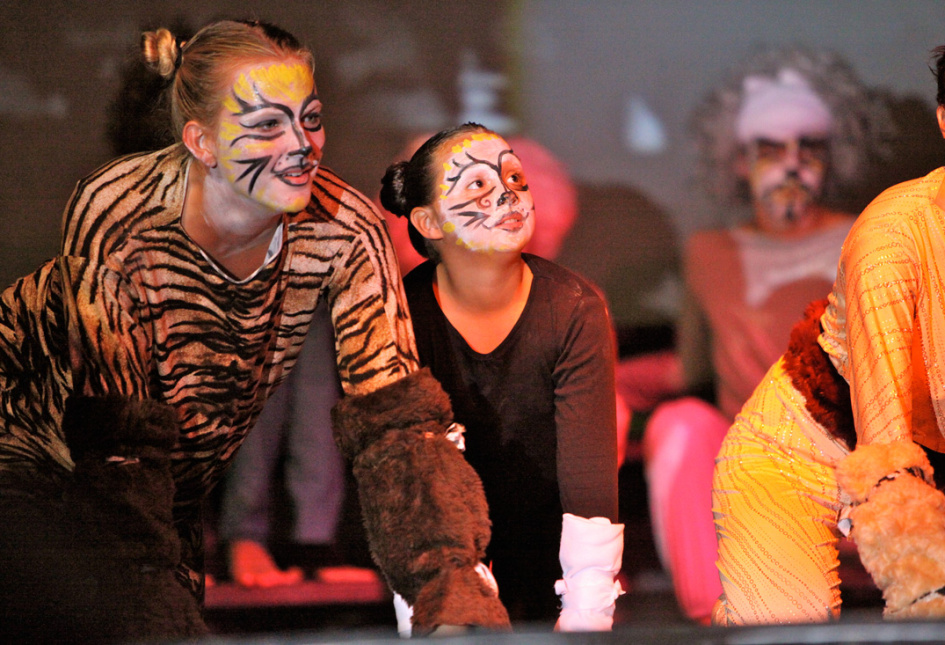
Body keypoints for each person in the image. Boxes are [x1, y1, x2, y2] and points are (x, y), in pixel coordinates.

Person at [0, 18, 508, 635]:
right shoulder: (119, 216)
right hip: (38, 463)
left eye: (311, 118)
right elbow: (116, 452)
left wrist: (449, 590)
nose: (302, 144)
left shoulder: (346, 227)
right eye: (267, 124)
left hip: (178, 480)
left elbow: (398, 424)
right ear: (202, 141)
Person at [631, 47, 893, 624]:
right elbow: (690, 370)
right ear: (738, 158)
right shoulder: (707, 251)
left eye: (809, 148)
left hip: (848, 451)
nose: (792, 164)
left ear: (832, 154)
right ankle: (714, 622)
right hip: (747, 463)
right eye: (771, 149)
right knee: (680, 426)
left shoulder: (866, 236)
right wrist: (598, 380)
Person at [711, 45, 945, 625]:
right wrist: (926, 601)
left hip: (929, 462)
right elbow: (889, 457)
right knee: (786, 635)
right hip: (801, 454)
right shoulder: (892, 239)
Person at [380, 123, 624, 629]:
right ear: (427, 221)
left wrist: (587, 607)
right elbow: (409, 482)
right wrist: (431, 599)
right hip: (439, 533)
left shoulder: (574, 309)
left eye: (514, 177)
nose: (507, 193)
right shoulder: (400, 315)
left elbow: (589, 484)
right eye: (477, 185)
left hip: (545, 534)